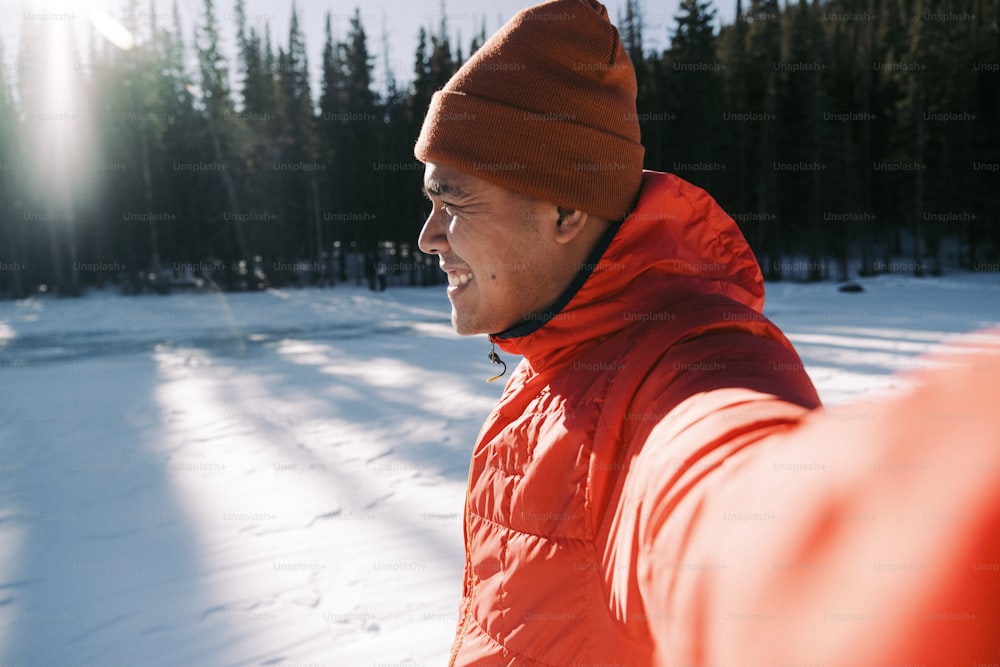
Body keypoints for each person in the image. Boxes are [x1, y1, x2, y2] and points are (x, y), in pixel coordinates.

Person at [414, 0, 1000, 665]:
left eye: (452, 201)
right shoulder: (559, 352)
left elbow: (727, 494)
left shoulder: (685, 366)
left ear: (565, 209)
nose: (427, 237)